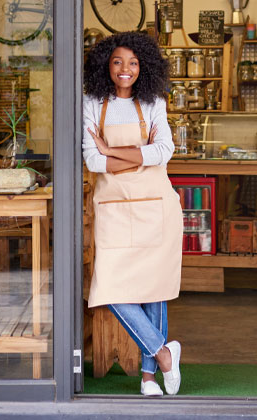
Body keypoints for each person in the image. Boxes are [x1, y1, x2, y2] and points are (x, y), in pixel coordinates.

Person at [82, 32, 184, 397]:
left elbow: (165, 151)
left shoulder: (154, 100)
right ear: (105, 66)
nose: (125, 70)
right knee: (109, 287)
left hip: (154, 206)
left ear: (144, 67)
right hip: (113, 209)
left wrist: (112, 149)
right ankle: (163, 353)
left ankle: (148, 377)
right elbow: (93, 160)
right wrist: (138, 152)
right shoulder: (91, 102)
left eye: (133, 63)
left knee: (153, 289)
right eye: (117, 62)